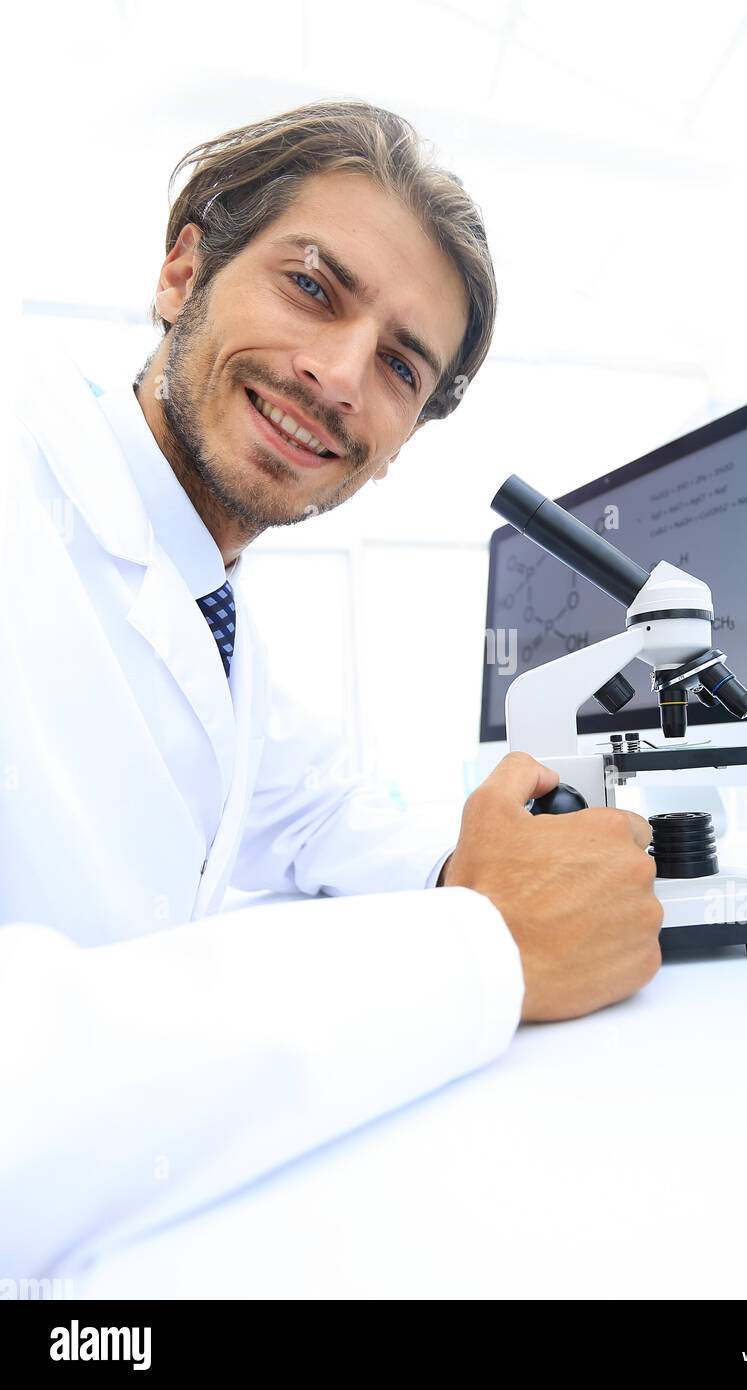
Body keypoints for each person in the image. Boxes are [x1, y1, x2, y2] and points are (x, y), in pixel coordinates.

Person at [1, 100, 661, 1279]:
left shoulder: (220, 606)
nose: (340, 375)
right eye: (313, 287)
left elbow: (308, 810)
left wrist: (491, 854)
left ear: (402, 441)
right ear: (182, 267)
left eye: (401, 364)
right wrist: (489, 944)